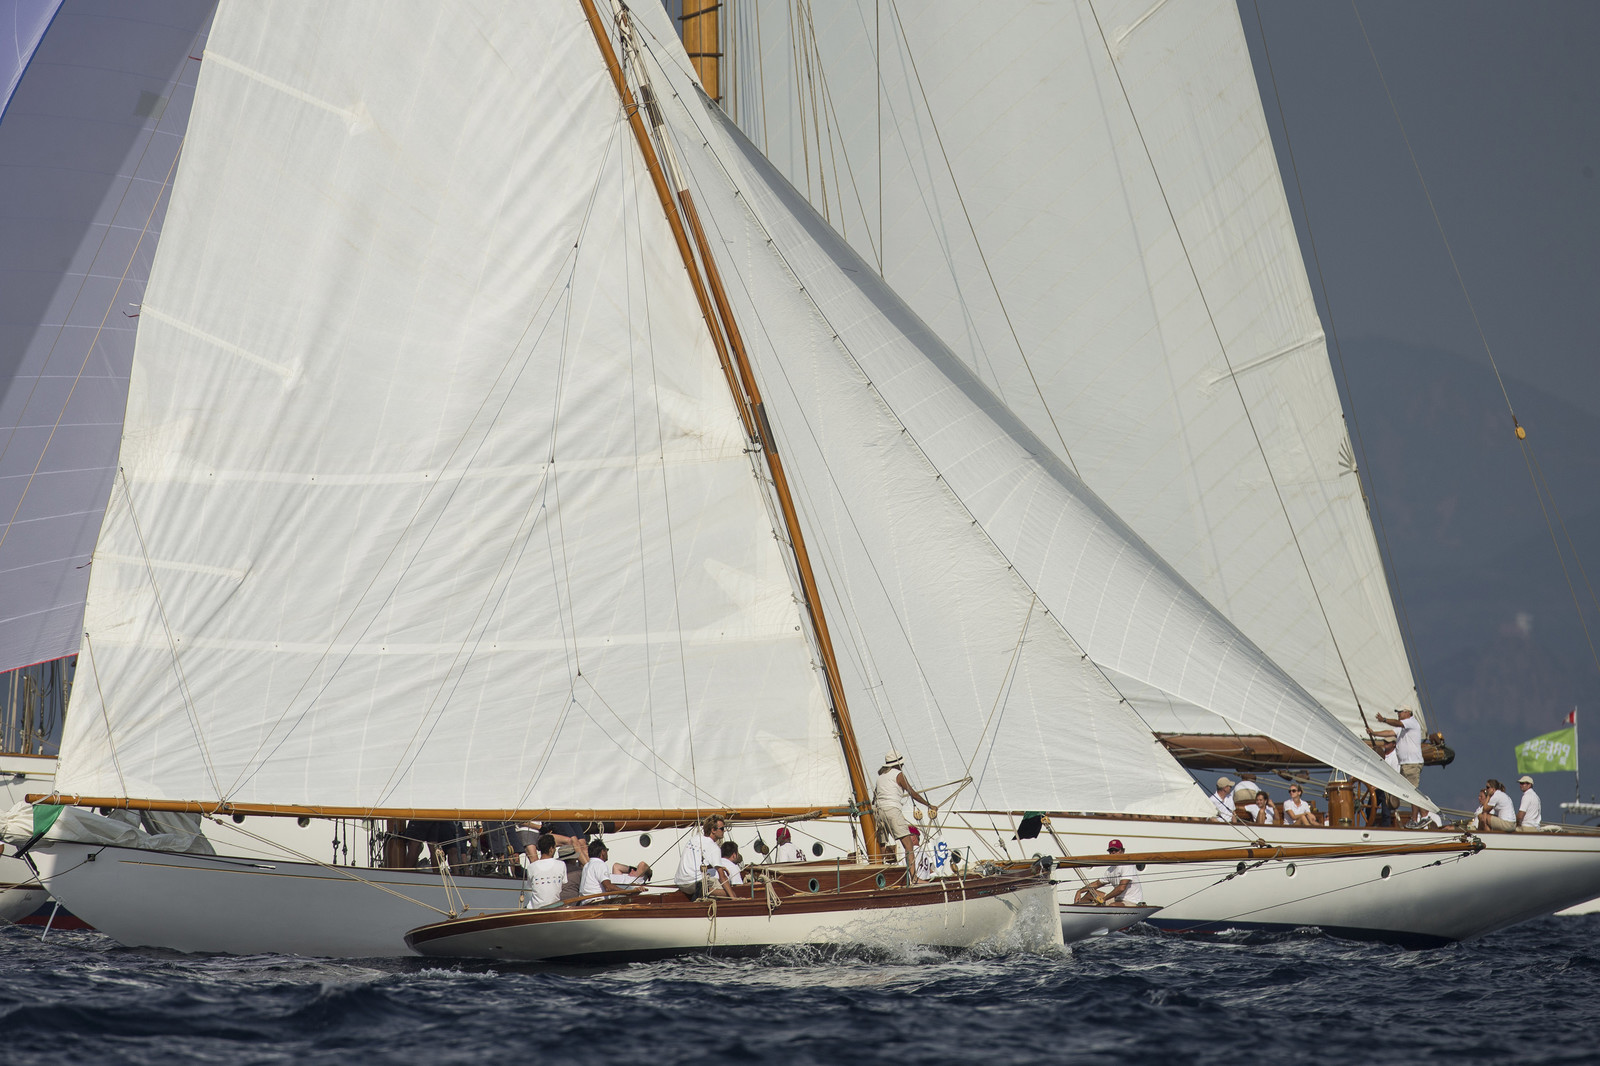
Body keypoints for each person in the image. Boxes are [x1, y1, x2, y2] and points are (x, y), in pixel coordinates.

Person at [873, 750, 937, 884]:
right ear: (899, 764)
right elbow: (912, 793)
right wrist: (929, 805)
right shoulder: (898, 774)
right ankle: (914, 878)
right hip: (892, 810)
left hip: (878, 812)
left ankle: (882, 877)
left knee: (882, 845)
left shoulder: (880, 777)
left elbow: (875, 797)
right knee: (908, 845)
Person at [1073, 839, 1144, 906]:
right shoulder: (1110, 870)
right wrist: (1079, 891)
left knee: (1113, 906)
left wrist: (1104, 899)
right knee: (1090, 894)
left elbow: (1121, 888)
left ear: (1122, 851)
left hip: (1132, 901)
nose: (1113, 853)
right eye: (1111, 851)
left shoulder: (1127, 865)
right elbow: (1097, 883)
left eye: (1116, 850)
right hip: (1117, 900)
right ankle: (1075, 911)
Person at [579, 838, 651, 899]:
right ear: (603, 852)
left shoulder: (587, 865)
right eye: (607, 850)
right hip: (597, 901)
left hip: (586, 901)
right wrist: (627, 893)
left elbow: (616, 867)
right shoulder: (600, 864)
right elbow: (608, 887)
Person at [675, 815, 727, 900]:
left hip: (681, 883)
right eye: (721, 828)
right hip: (694, 884)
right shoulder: (713, 847)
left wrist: (711, 867)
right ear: (713, 830)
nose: (724, 830)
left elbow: (697, 864)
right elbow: (722, 877)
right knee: (725, 892)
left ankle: (704, 890)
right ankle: (705, 890)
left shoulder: (694, 839)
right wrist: (734, 897)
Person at [523, 833, 568, 908]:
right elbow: (563, 884)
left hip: (536, 907)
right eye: (554, 847)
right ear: (551, 849)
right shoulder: (561, 864)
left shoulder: (531, 867)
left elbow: (530, 886)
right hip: (554, 906)